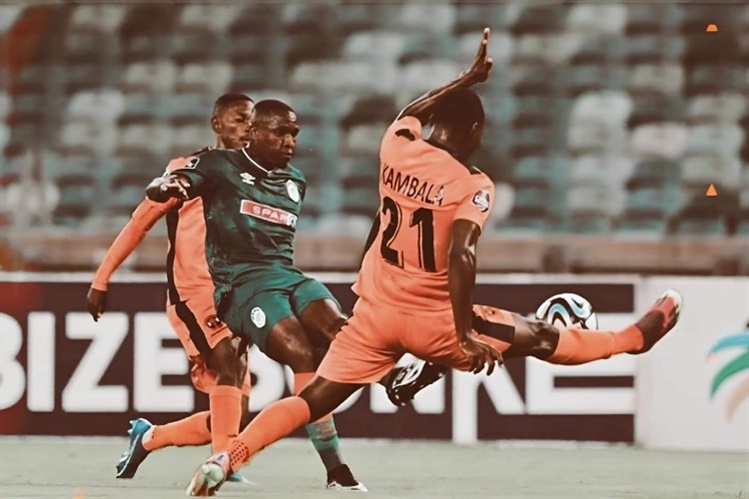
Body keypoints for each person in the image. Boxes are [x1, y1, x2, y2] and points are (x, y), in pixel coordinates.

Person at [183, 28, 684, 497]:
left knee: (310, 400)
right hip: (432, 321)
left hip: (373, 319)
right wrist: (463, 332)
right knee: (538, 336)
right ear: (473, 129)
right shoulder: (472, 183)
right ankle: (632, 340)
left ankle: (226, 460)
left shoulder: (395, 147)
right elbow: (461, 253)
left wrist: (466, 78)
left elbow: (410, 111)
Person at [146, 98, 369, 490]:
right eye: (281, 132)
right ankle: (330, 467)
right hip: (240, 288)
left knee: (341, 332)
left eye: (294, 134)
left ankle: (392, 376)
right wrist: (169, 185)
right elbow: (177, 183)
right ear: (254, 132)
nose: (290, 141)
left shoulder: (294, 182)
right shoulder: (217, 166)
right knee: (297, 354)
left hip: (287, 277)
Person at [87, 94, 255, 484]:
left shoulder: (256, 177)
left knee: (233, 414)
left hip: (235, 293)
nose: (248, 127)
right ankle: (223, 465)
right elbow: (139, 223)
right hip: (193, 292)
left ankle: (149, 438)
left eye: (252, 120)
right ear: (216, 124)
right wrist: (101, 278)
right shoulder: (185, 170)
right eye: (239, 119)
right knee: (229, 364)